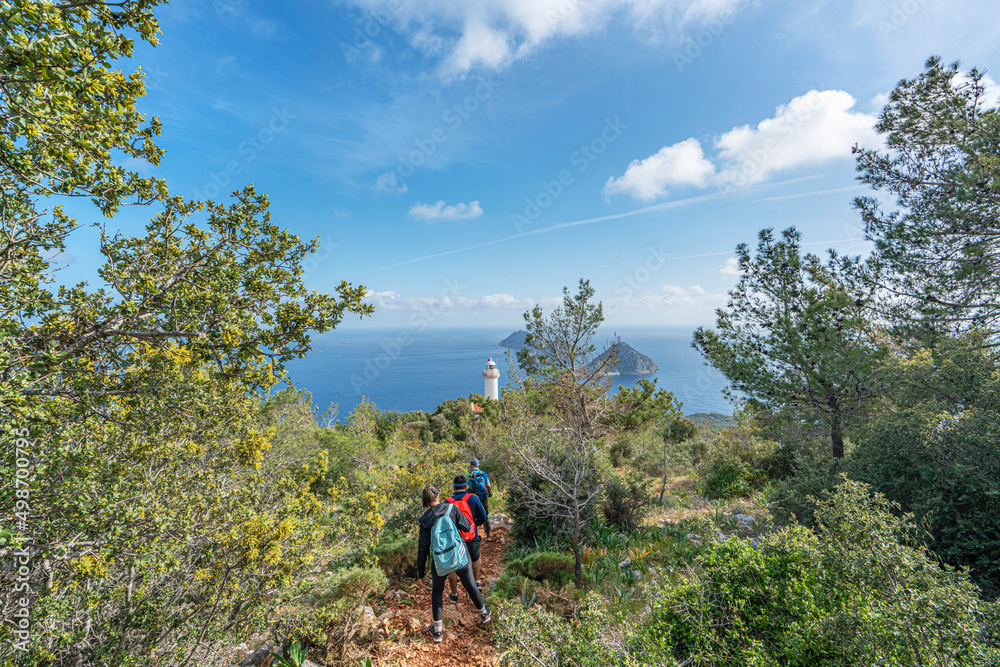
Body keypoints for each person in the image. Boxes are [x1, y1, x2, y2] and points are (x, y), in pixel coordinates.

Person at [416, 485, 490, 643]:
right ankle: (484, 614)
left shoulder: (424, 519)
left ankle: (437, 632)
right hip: (459, 556)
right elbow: (466, 525)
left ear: (424, 501)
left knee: (437, 591)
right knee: (469, 584)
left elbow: (423, 549)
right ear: (438, 495)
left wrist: (420, 573)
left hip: (439, 563)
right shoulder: (451, 508)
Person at [446, 474, 489, 593]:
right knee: (476, 557)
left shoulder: (448, 501)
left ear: (453, 488)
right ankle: (477, 581)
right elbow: (483, 517)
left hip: (455, 539)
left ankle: (454, 594)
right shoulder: (473, 498)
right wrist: (475, 525)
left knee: (453, 565)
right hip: (471, 536)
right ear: (466, 487)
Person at [467, 458, 492, 539]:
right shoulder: (483, 474)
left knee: (472, 515)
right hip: (483, 496)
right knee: (485, 514)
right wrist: (489, 492)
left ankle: (474, 535)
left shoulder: (468, 474)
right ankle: (488, 534)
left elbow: (466, 487)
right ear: (478, 465)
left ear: (471, 465)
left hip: (473, 498)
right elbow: (488, 486)